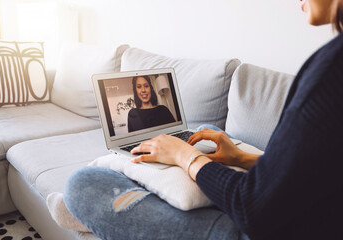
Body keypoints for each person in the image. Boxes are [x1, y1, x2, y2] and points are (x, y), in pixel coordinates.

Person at [56, 1, 343, 239]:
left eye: (147, 86)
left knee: (83, 184)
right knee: (209, 132)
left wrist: (185, 155)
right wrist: (241, 158)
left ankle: (97, 214)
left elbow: (252, 207)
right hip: (300, 210)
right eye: (139, 87)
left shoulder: (331, 71)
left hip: (262, 227)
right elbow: (321, 172)